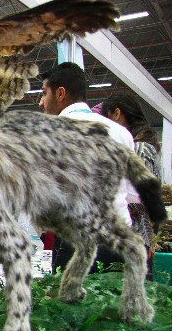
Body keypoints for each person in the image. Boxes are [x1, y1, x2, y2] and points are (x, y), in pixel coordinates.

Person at [38, 62, 137, 273]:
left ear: (61, 93)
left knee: (72, 304)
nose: (41, 102)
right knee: (113, 302)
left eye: (44, 93)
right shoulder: (120, 133)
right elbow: (133, 193)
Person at [100, 92, 162, 277]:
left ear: (117, 114)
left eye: (107, 118)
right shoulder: (145, 146)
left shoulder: (139, 149)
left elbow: (144, 199)